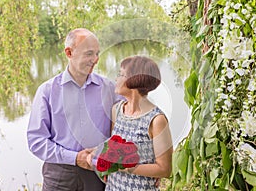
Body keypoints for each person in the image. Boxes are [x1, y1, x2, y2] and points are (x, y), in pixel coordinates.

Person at [27, 28, 121, 191]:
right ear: (69, 53)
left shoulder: (110, 89)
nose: (95, 59)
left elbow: (137, 123)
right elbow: (36, 141)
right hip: (59, 175)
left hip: (98, 173)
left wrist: (150, 165)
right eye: (89, 53)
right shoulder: (47, 91)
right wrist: (75, 158)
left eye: (97, 53)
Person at [88, 55, 173, 190]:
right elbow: (113, 146)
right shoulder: (117, 110)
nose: (116, 78)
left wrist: (122, 167)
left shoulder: (156, 120)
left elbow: (164, 169)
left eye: (121, 74)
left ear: (134, 80)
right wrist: (95, 152)